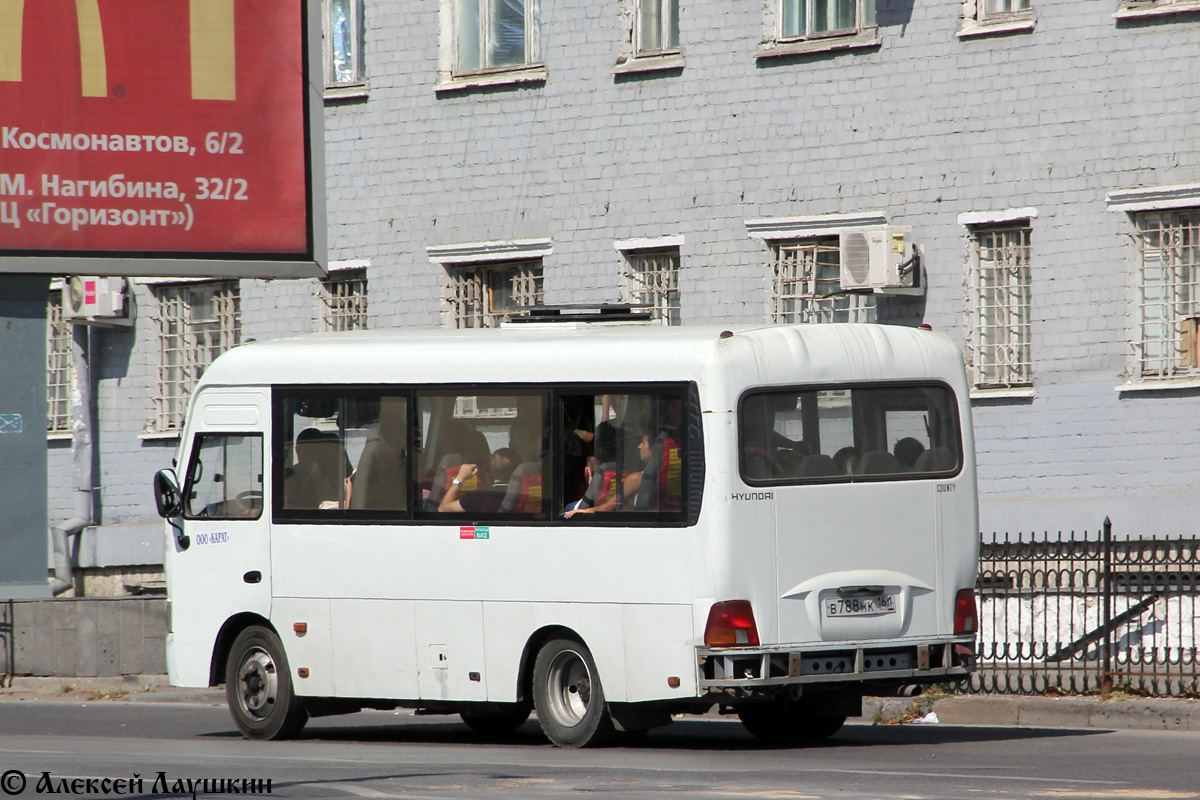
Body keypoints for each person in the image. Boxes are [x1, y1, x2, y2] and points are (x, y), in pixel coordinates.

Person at [565, 431, 652, 518]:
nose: (639, 446)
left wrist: (585, 510)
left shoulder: (636, 479)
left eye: (643, 443)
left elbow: (609, 506)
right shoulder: (657, 475)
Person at [438, 447, 520, 514]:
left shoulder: (480, 495)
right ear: (517, 470)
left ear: (489, 470)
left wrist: (459, 478)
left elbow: (443, 509)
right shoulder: (526, 493)